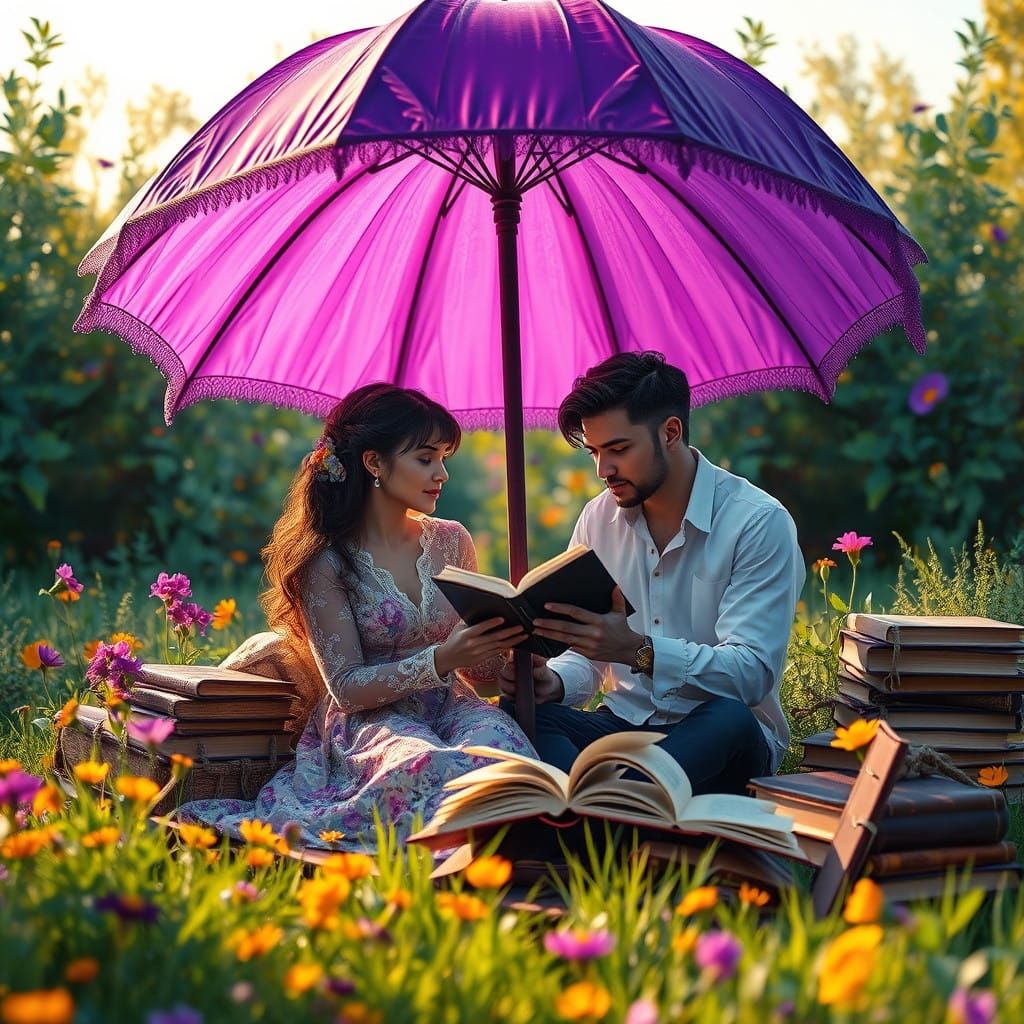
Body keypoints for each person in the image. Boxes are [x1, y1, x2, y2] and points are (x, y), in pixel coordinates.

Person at [180, 383, 535, 850]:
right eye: (426, 459)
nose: (442, 473)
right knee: (427, 765)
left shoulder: (452, 541)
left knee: (506, 764)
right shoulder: (326, 563)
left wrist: (515, 646)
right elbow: (346, 688)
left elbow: (478, 674)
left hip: (453, 706)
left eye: (444, 458)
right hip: (370, 723)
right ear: (374, 463)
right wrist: (440, 658)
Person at [501, 352, 804, 795]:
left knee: (731, 718)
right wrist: (554, 680)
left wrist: (642, 652)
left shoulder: (757, 522)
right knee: (519, 710)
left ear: (671, 433)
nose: (604, 469)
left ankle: (591, 810)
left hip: (716, 738)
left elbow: (751, 673)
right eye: (596, 452)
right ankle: (616, 810)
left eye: (619, 449)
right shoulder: (597, 519)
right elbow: (588, 654)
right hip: (623, 729)